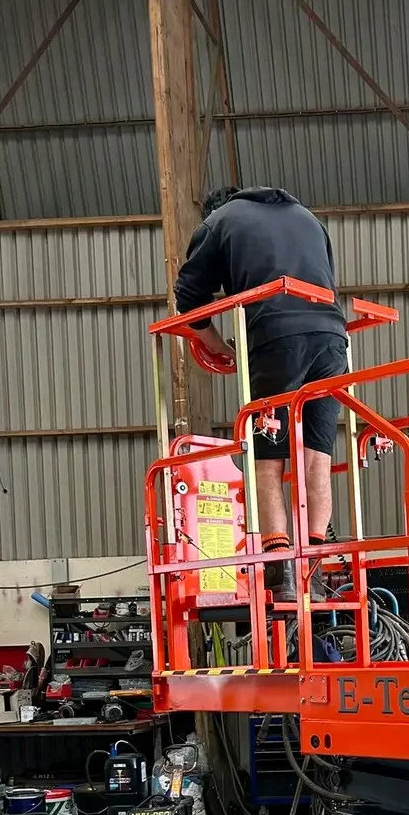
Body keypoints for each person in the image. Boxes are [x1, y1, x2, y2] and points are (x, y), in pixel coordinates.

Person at [174, 186, 348, 602]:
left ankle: (281, 572)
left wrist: (218, 346)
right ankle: (313, 573)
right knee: (317, 459)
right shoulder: (307, 217)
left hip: (276, 336)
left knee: (266, 461)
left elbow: (189, 296)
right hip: (332, 338)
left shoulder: (218, 222)